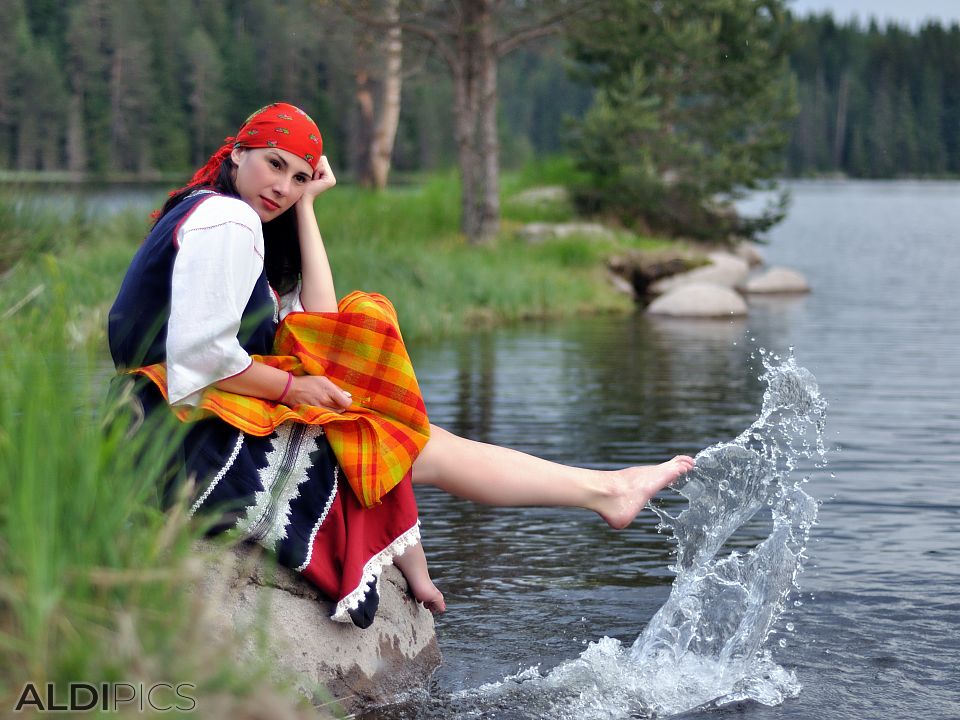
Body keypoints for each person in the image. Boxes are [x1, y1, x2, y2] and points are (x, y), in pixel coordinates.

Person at [108, 102, 694, 628]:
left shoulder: (220, 214)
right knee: (399, 442)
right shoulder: (228, 220)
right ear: (238, 153)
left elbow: (322, 320)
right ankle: (600, 492)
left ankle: (589, 496)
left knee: (384, 418)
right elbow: (202, 355)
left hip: (175, 418)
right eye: (274, 164)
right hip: (178, 435)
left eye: (299, 176)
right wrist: (294, 387)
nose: (282, 187)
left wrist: (308, 208)